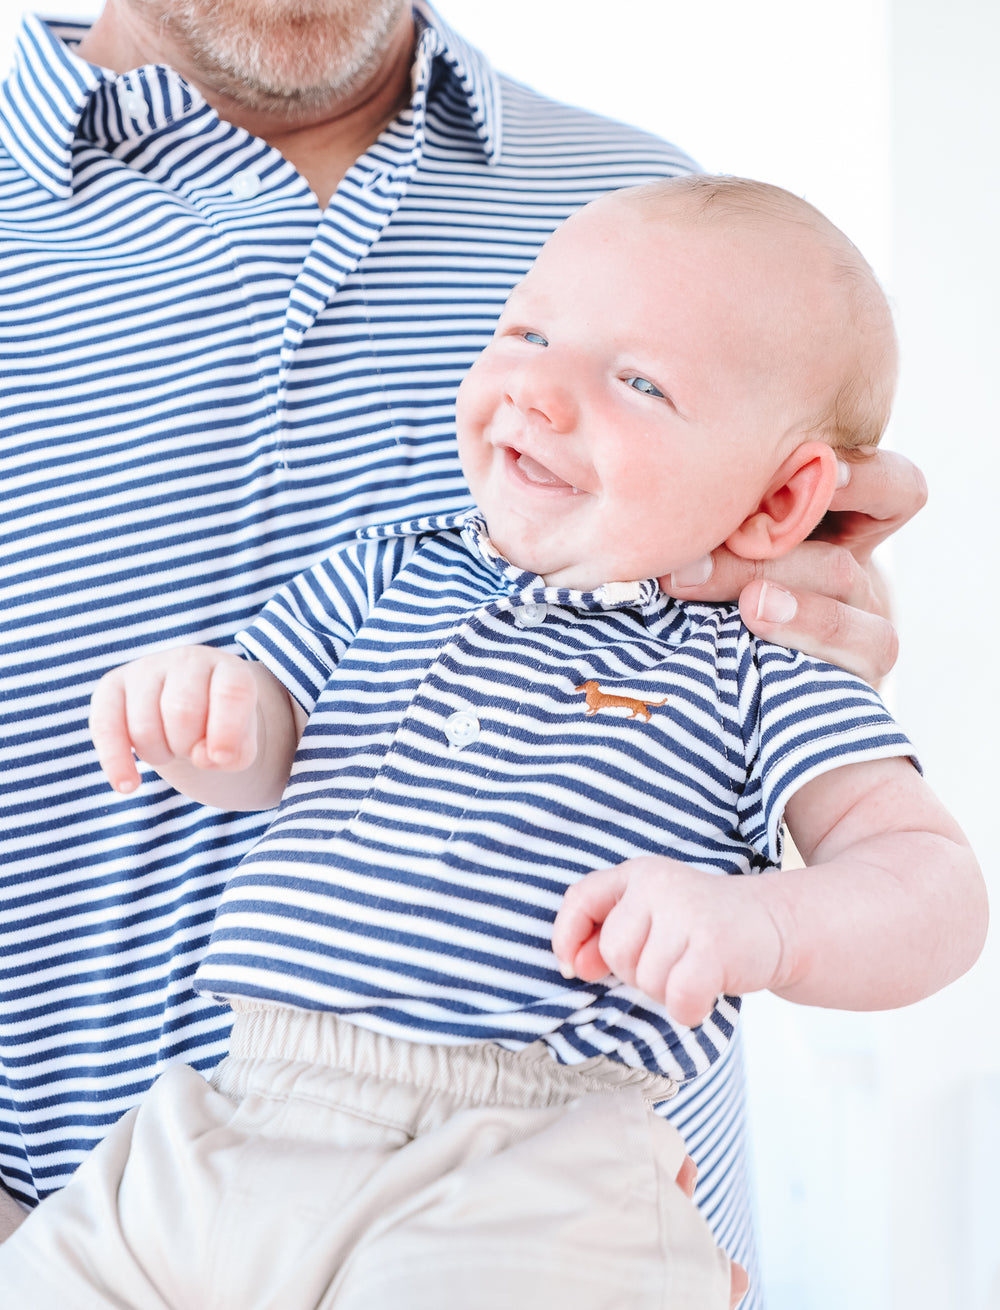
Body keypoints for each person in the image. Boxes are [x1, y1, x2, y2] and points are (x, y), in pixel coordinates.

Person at [0, 1, 929, 1298]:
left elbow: (909, 868)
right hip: (163, 1175)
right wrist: (210, 707)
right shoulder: (392, 566)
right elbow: (266, 732)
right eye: (525, 336)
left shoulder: (649, 211)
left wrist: (811, 640)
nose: (541, 389)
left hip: (535, 1198)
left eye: (639, 381)